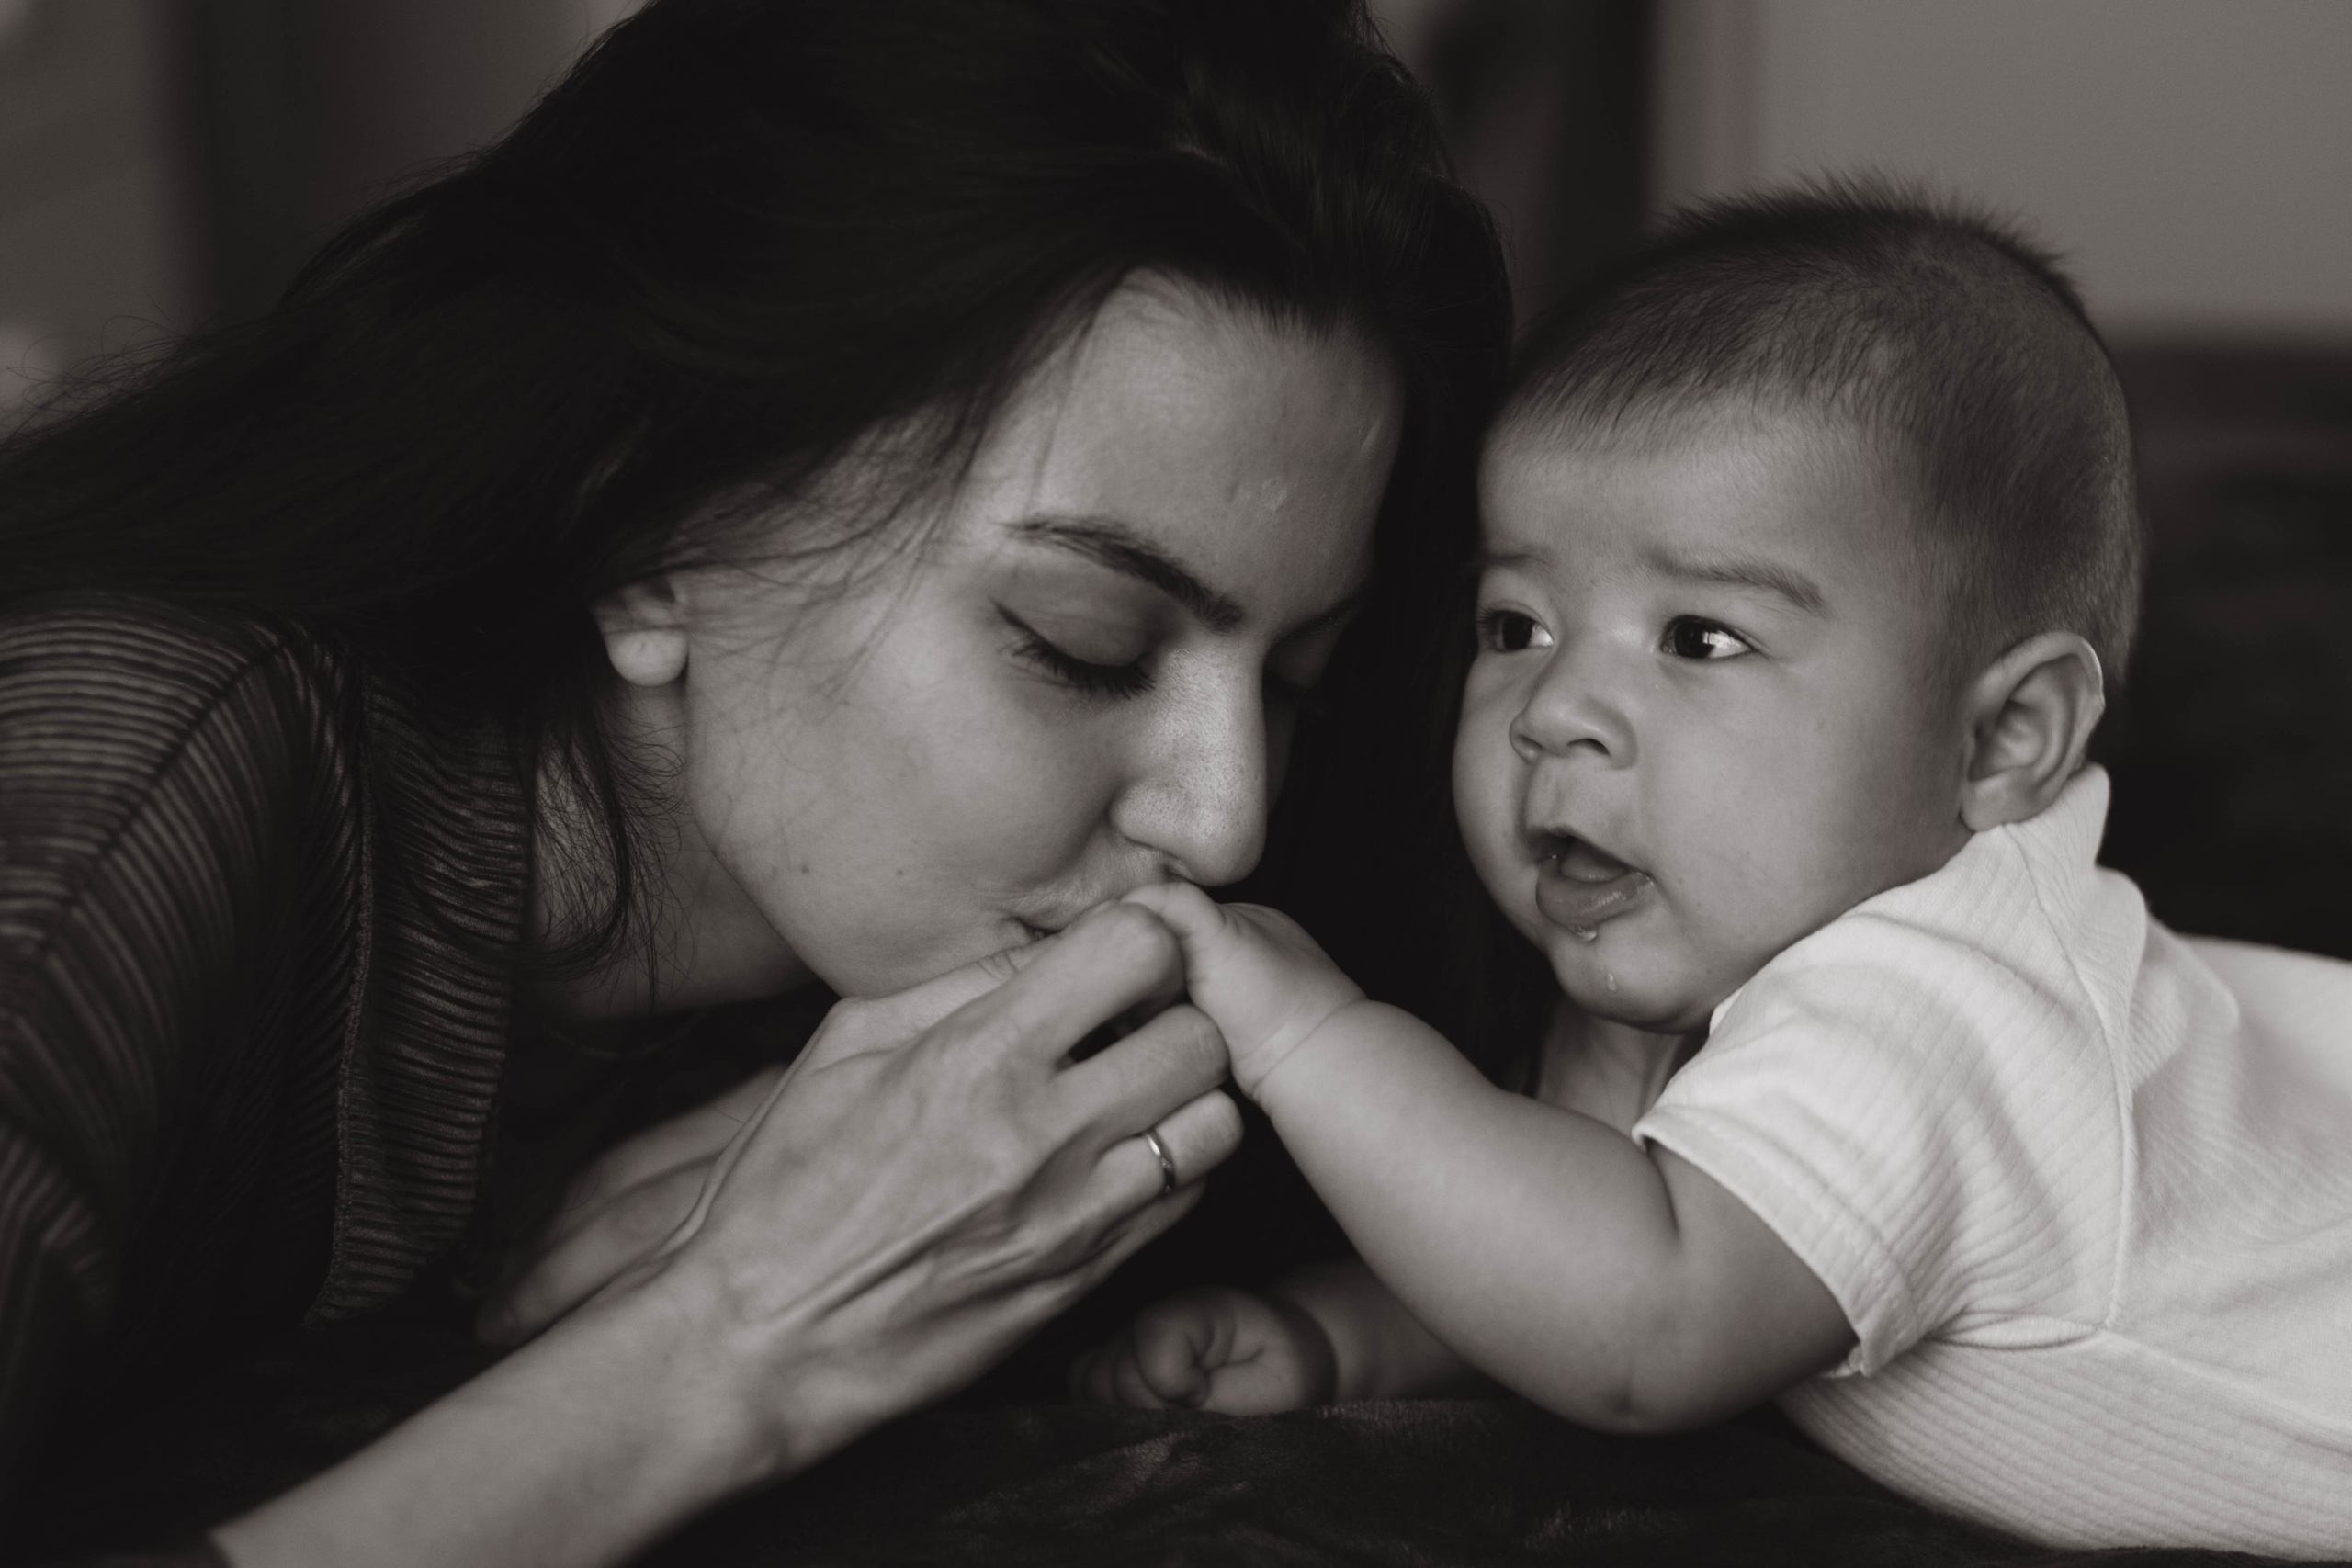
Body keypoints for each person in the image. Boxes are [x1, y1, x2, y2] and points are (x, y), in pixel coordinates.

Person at [0, 3, 1510, 1563]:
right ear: (656, 526)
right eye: (1084, 644)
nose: (1224, 818)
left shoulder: (839, 966)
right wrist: (740, 1340)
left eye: (1293, 682)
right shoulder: (118, 783)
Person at [1078, 186, 2352, 1558]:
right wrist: (1338, 1341)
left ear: (2000, 740)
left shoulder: (1939, 1011)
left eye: (1700, 638)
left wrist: (1307, 1031)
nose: (1556, 707)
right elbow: (1566, 1225)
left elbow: (1646, 1317)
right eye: (1514, 622)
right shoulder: (1687, 977)